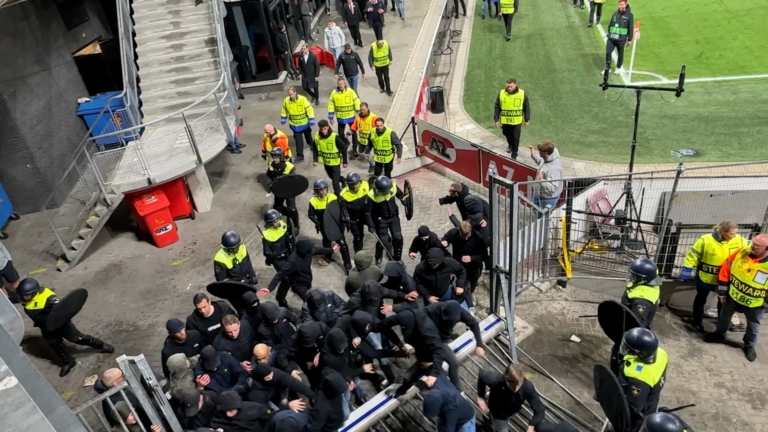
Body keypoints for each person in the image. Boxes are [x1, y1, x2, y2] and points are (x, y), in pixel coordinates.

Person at [16, 278, 114, 377]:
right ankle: (68, 362)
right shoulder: (25, 300)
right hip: (45, 327)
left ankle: (101, 345)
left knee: (78, 338)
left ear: (34, 293)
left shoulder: (47, 296)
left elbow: (61, 309)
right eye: (23, 296)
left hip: (60, 324)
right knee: (56, 345)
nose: (24, 298)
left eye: (26, 295)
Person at [704, 234, 768, 362]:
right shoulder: (742, 252)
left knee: (753, 326)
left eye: (757, 246)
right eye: (753, 243)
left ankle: (749, 346)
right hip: (733, 296)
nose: (752, 247)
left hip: (755, 304)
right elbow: (726, 268)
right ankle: (719, 334)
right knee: (724, 317)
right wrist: (722, 290)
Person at [681, 220, 748, 333]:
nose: (734, 236)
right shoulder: (705, 240)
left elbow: (750, 249)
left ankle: (723, 323)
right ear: (722, 231)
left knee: (723, 303)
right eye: (732, 233)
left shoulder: (739, 240)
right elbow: (692, 256)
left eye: (736, 233)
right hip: (705, 279)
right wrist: (685, 273)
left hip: (725, 280)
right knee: (700, 299)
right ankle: (697, 322)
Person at [377, 308, 463, 394]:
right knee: (407, 378)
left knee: (435, 382)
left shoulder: (434, 342)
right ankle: (399, 392)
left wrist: (433, 373)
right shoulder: (419, 336)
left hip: (432, 366)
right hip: (424, 363)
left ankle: (457, 392)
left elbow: (450, 360)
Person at [609, 258, 661, 374]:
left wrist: (625, 340)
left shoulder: (641, 300)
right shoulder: (651, 282)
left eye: (635, 275)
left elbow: (636, 323)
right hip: (631, 324)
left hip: (631, 333)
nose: (632, 277)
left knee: (619, 353)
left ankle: (618, 375)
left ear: (643, 279)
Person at [618, 328, 668, 431]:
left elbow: (634, 407)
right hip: (652, 398)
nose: (625, 350)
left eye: (629, 349)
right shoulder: (660, 353)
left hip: (640, 414)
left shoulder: (639, 378)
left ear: (640, 354)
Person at [266, 239, 340, 308]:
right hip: (299, 285)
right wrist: (269, 288)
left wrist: (332, 250)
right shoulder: (293, 261)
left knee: (311, 299)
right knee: (311, 302)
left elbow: (318, 250)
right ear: (305, 251)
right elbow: (280, 275)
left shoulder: (309, 252)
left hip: (307, 280)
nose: (312, 249)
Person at [476, 364, 550, 432]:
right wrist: (481, 396)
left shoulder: (527, 387)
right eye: (512, 385)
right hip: (498, 412)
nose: (516, 389)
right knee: (501, 429)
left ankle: (489, 418)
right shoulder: (496, 379)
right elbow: (482, 375)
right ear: (505, 379)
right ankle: (490, 419)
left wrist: (531, 425)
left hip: (511, 410)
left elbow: (540, 410)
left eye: (519, 385)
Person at [442, 221, 488, 312]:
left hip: (473, 267)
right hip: (458, 264)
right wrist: (445, 241)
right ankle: (467, 297)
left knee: (472, 282)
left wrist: (472, 258)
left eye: (468, 235)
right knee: (462, 282)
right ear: (459, 231)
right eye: (464, 236)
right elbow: (447, 236)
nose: (466, 238)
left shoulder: (478, 238)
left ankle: (471, 292)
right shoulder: (454, 233)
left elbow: (484, 255)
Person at [308, 179, 352, 270]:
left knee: (343, 244)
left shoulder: (333, 197)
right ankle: (328, 258)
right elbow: (311, 215)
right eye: (320, 190)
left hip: (336, 225)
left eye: (324, 189)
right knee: (327, 243)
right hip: (323, 227)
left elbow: (339, 210)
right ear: (316, 191)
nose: (323, 191)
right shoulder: (313, 201)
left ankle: (347, 265)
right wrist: (319, 223)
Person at [367, 176, 405, 265]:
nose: (388, 192)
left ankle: (397, 259)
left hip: (393, 217)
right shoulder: (371, 195)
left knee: (398, 238)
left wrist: (404, 199)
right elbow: (367, 212)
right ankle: (378, 256)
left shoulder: (392, 186)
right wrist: (371, 225)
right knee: (383, 241)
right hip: (381, 220)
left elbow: (400, 195)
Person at [247, 363, 315, 407]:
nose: (271, 378)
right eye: (267, 378)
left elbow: (292, 382)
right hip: (264, 403)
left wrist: (312, 396)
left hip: (273, 392)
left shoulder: (272, 372)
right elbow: (268, 413)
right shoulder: (255, 394)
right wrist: (288, 406)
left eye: (271, 375)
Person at [493, 78, 530, 159]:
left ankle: (514, 154)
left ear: (515, 85)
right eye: (508, 86)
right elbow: (497, 106)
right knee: (506, 134)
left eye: (511, 86)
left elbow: (526, 106)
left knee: (516, 138)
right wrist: (496, 120)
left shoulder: (522, 93)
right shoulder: (502, 93)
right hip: (505, 121)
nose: (509, 88)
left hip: (517, 121)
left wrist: (527, 119)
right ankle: (510, 144)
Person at [339, 172, 375, 253]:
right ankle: (358, 254)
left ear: (360, 182)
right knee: (358, 237)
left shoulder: (366, 185)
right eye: (352, 185)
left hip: (367, 216)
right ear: (348, 185)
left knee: (378, 230)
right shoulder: (343, 195)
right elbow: (343, 208)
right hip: (354, 219)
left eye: (356, 184)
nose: (355, 186)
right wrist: (346, 217)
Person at [266, 148, 301, 230]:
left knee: (291, 209)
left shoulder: (290, 167)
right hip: (279, 190)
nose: (274, 159)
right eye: (273, 157)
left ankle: (295, 226)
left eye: (276, 157)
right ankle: (280, 222)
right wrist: (270, 183)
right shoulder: (271, 165)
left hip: (289, 191)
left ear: (281, 157)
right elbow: (269, 176)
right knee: (277, 208)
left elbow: (294, 180)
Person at [313, 120, 350, 196]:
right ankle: (343, 180)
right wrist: (315, 159)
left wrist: (345, 161)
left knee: (335, 184)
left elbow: (343, 148)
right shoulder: (317, 136)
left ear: (328, 127)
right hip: (326, 162)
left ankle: (339, 197)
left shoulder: (334, 137)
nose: (323, 131)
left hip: (335, 163)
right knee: (332, 177)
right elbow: (314, 148)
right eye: (321, 129)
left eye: (325, 128)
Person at [211, 390, 275, 432]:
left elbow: (270, 416)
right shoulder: (217, 419)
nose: (228, 414)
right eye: (225, 411)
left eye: (231, 410)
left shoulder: (253, 408)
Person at [281, 86, 315, 162]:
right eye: (289, 95)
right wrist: (283, 118)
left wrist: (311, 119)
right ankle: (300, 155)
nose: (290, 96)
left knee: (308, 136)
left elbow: (309, 109)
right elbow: (284, 110)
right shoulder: (286, 101)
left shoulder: (302, 99)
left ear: (295, 92)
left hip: (304, 123)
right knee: (298, 140)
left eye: (292, 94)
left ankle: (312, 145)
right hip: (295, 125)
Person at [529, 141, 563, 215]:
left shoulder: (554, 169)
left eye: (540, 152)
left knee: (544, 219)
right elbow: (542, 162)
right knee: (535, 211)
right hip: (539, 193)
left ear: (546, 153)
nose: (539, 153)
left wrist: (541, 180)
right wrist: (533, 155)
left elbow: (553, 188)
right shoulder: (547, 159)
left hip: (548, 199)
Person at [262, 209, 297, 281]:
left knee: (296, 272)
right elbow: (266, 252)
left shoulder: (283, 225)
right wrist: (274, 255)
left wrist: (289, 238)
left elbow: (288, 235)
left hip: (288, 253)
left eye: (278, 219)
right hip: (278, 259)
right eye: (274, 221)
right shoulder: (267, 235)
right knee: (286, 278)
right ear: (269, 223)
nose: (277, 222)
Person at [328, 77, 361, 148]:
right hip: (341, 117)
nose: (341, 85)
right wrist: (331, 117)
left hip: (351, 116)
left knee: (354, 132)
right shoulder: (334, 93)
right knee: (340, 134)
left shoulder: (350, 91)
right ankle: (346, 142)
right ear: (337, 84)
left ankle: (355, 147)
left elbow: (356, 101)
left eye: (342, 84)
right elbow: (331, 105)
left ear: (345, 83)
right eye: (339, 84)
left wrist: (358, 111)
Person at [604, 0, 634, 75]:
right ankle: (608, 68)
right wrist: (609, 34)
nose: (621, 6)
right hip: (611, 38)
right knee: (608, 52)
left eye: (622, 5)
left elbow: (630, 28)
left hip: (621, 40)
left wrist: (630, 39)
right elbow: (611, 24)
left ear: (626, 5)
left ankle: (618, 68)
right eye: (619, 4)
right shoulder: (615, 13)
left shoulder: (629, 15)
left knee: (620, 54)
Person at [350, 103, 378, 168]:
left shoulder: (373, 117)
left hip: (370, 142)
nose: (362, 111)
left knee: (367, 154)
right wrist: (349, 133)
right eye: (361, 110)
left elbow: (378, 128)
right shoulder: (358, 117)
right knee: (361, 151)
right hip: (362, 141)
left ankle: (373, 165)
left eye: (364, 110)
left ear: (367, 108)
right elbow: (354, 126)